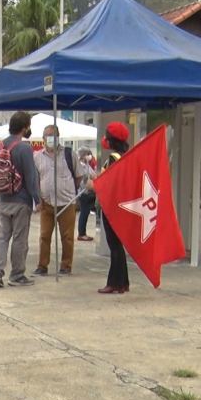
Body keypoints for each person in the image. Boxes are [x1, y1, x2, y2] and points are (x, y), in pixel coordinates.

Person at [0, 111, 41, 288]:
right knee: (20, 238)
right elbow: (31, 177)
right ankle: (17, 275)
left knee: (3, 237)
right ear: (25, 127)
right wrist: (38, 199)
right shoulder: (25, 148)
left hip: (3, 199)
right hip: (21, 200)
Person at [33, 125, 83, 276]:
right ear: (42, 138)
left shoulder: (69, 154)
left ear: (58, 137)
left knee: (67, 237)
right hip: (47, 203)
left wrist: (69, 189)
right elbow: (35, 179)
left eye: (53, 135)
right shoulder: (37, 156)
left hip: (67, 202)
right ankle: (42, 266)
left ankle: (66, 266)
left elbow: (79, 175)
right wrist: (37, 199)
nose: (49, 138)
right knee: (44, 236)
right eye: (47, 135)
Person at [98, 122, 131, 294]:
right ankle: (123, 282)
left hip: (112, 207)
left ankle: (114, 282)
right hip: (122, 206)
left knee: (115, 246)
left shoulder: (114, 159)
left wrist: (93, 184)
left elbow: (109, 183)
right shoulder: (127, 156)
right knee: (118, 246)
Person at [76, 149, 98, 242]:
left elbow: (94, 175)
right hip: (83, 192)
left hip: (89, 192)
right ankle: (81, 234)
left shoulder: (87, 165)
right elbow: (83, 180)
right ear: (83, 155)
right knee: (84, 213)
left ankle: (82, 233)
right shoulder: (80, 166)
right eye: (88, 154)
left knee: (86, 212)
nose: (90, 156)